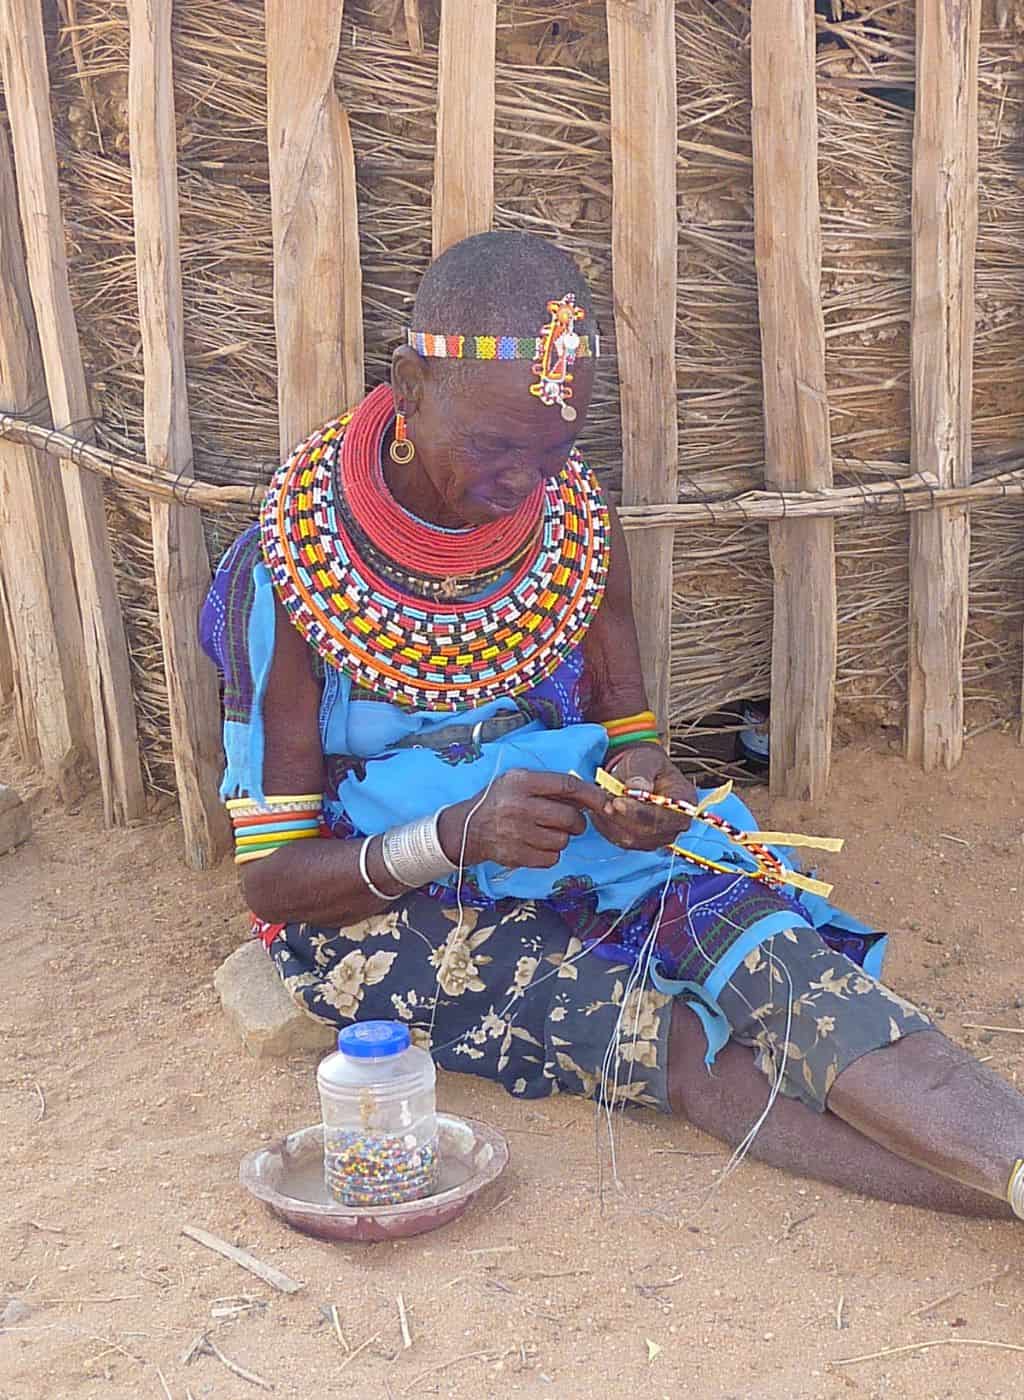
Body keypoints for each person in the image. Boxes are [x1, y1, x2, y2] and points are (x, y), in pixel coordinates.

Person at [201, 231, 1024, 1223]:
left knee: (783, 966)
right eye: (495, 447)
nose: (522, 483)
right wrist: (450, 835)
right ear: (410, 385)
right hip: (386, 905)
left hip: (588, 851)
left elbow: (628, 728)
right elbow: (275, 879)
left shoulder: (577, 530)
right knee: (665, 1040)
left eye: (551, 452)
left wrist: (646, 782)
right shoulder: (290, 571)